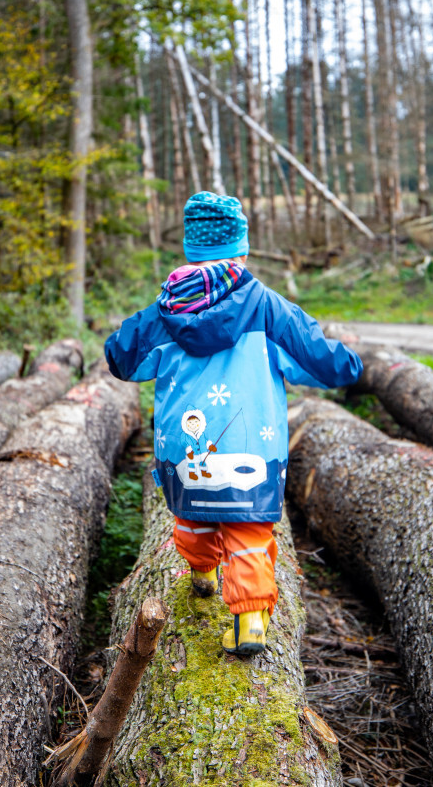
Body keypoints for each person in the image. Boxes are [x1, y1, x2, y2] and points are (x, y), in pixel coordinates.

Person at [104, 191, 363, 656]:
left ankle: (202, 574)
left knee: (192, 517)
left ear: (191, 249)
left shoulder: (166, 310)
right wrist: (352, 364)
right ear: (240, 249)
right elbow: (323, 360)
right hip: (252, 451)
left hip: (185, 449)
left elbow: (120, 358)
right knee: (249, 533)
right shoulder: (267, 307)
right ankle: (249, 623)